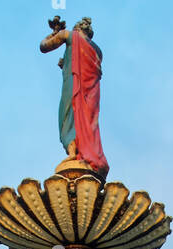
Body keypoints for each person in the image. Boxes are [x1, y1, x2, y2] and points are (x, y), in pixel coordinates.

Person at [40, 16, 109, 177]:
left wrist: (55, 32)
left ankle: (73, 153)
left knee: (68, 113)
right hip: (91, 93)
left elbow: (43, 46)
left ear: (77, 28)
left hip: (74, 85)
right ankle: (86, 153)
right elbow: (82, 65)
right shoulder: (98, 51)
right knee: (88, 121)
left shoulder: (69, 35)